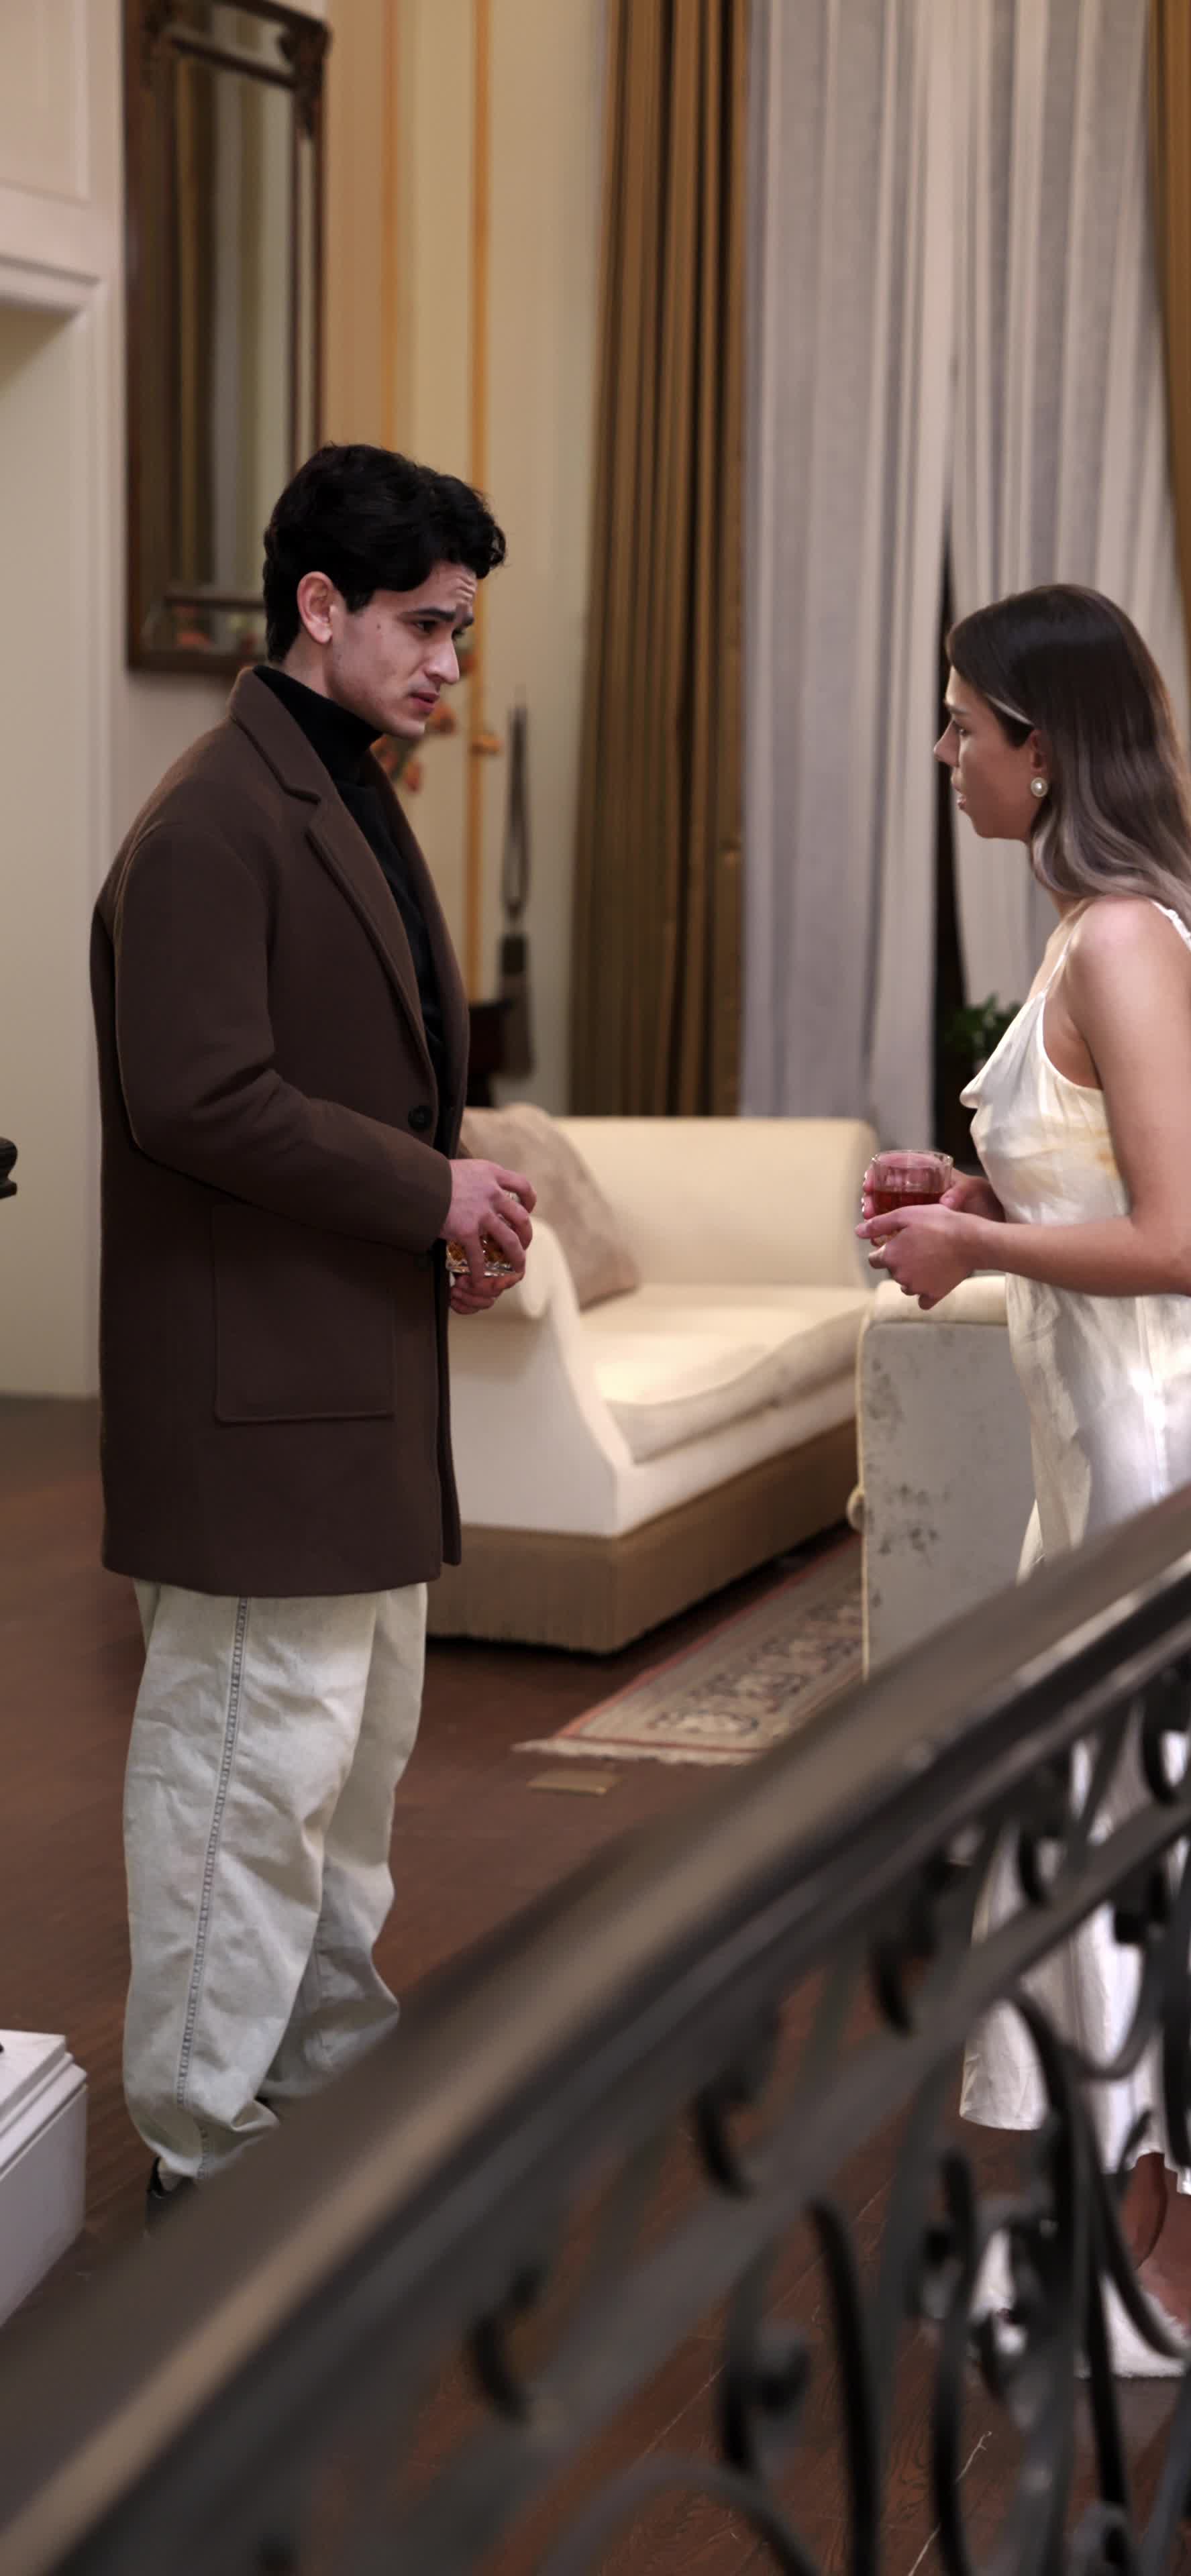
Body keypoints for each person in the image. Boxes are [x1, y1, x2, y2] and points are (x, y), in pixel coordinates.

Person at [91, 443, 536, 2217]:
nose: (448, 663)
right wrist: (428, 1190)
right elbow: (196, 1098)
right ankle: (205, 2148)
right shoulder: (214, 818)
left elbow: (368, 1078)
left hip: (347, 1373)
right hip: (256, 1393)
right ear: (321, 605)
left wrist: (447, 1211)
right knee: (239, 1781)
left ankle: (327, 2080)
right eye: (424, 624)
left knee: (347, 1772)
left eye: (461, 630)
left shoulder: (341, 785)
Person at [858, 584, 1191, 2374]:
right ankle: (1128, 2242)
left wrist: (980, 1253)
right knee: (1117, 1845)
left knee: (1175, 1854)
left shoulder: (1119, 939)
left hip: (1156, 1455)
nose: (946, 750)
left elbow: (1184, 1247)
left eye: (965, 723)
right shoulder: (1091, 932)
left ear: (1043, 749)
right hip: (1098, 1454)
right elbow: (1110, 1192)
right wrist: (982, 1199)